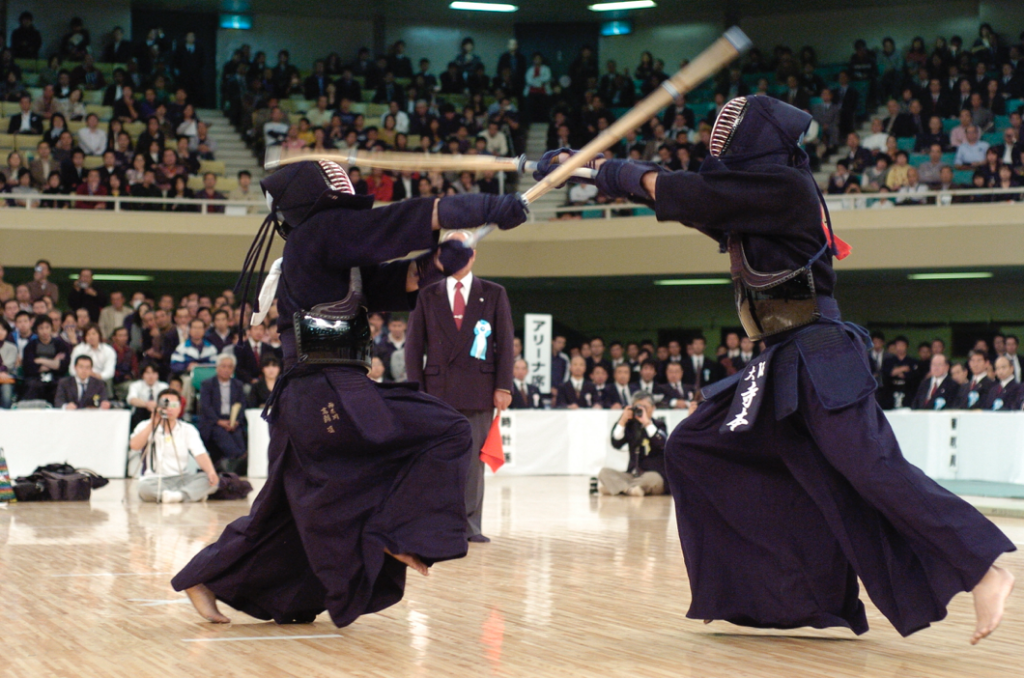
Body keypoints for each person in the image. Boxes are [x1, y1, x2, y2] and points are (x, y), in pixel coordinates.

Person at [534, 95, 1014, 643]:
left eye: (726, 131)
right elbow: (693, 203)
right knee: (693, 447)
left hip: (820, 352)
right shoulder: (751, 201)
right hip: (781, 359)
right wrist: (592, 171)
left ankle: (984, 568)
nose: (717, 140)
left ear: (753, 139)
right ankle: (783, 595)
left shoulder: (786, 189)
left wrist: (611, 171)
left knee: (872, 469)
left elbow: (686, 192)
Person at [171, 160, 526, 626]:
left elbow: (396, 281)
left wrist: (439, 263)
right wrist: (482, 207)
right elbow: (395, 224)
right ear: (320, 193)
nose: (347, 180)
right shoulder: (321, 232)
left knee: (282, 514)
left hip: (313, 397)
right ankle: (396, 533)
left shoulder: (330, 249)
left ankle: (205, 578)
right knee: (448, 430)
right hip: (326, 391)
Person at [406, 229, 516, 543]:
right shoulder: (427, 293)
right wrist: (416, 391)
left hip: (479, 390)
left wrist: (503, 387)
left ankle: (469, 525)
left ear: (474, 254)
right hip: (435, 391)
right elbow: (413, 348)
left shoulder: (494, 293)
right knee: (437, 460)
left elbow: (504, 344)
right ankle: (437, 523)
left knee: (471, 463)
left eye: (464, 248)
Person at [130, 388, 219, 503]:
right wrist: (153, 423)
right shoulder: (144, 426)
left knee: (210, 480)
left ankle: (177, 496)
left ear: (180, 408)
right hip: (154, 479)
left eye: (174, 404)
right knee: (144, 489)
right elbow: (134, 446)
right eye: (165, 404)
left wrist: (211, 472)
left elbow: (200, 453)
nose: (169, 408)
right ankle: (186, 495)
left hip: (181, 478)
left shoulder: (188, 429)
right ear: (158, 406)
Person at [598, 393, 667, 496]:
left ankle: (619, 488)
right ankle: (630, 490)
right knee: (604, 472)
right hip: (633, 475)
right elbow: (616, 442)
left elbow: (662, 443)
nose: (641, 410)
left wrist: (647, 423)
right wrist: (622, 420)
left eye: (645, 407)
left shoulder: (659, 425)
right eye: (638, 407)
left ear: (653, 408)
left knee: (654, 479)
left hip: (651, 474)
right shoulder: (630, 426)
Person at [198, 354, 247, 471]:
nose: (226, 370)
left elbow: (242, 405)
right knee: (223, 437)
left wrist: (236, 422)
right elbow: (205, 407)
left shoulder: (238, 385)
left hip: (232, 421)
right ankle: (238, 458)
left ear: (233, 369)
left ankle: (235, 462)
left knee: (239, 437)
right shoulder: (207, 384)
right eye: (223, 366)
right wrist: (218, 421)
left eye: (230, 367)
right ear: (217, 367)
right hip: (213, 421)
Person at [127, 361, 168, 430]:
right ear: (143, 375)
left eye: (154, 373)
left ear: (158, 375)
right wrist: (147, 404)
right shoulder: (135, 385)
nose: (151, 376)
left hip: (158, 412)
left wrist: (155, 405)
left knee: (163, 411)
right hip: (140, 414)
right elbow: (131, 399)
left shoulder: (164, 386)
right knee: (140, 411)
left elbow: (167, 402)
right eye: (148, 373)